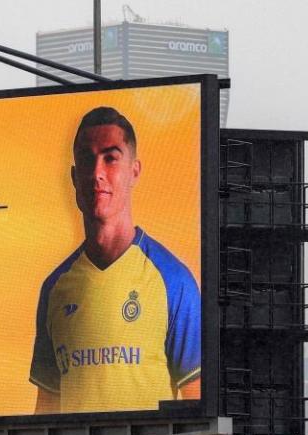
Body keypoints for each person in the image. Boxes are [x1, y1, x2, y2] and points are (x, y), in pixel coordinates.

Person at [29, 106, 201, 414]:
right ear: (73, 176)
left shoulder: (174, 281)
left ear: (134, 171)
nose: (97, 172)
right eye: (86, 159)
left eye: (111, 158)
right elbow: (46, 409)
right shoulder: (55, 288)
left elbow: (198, 405)